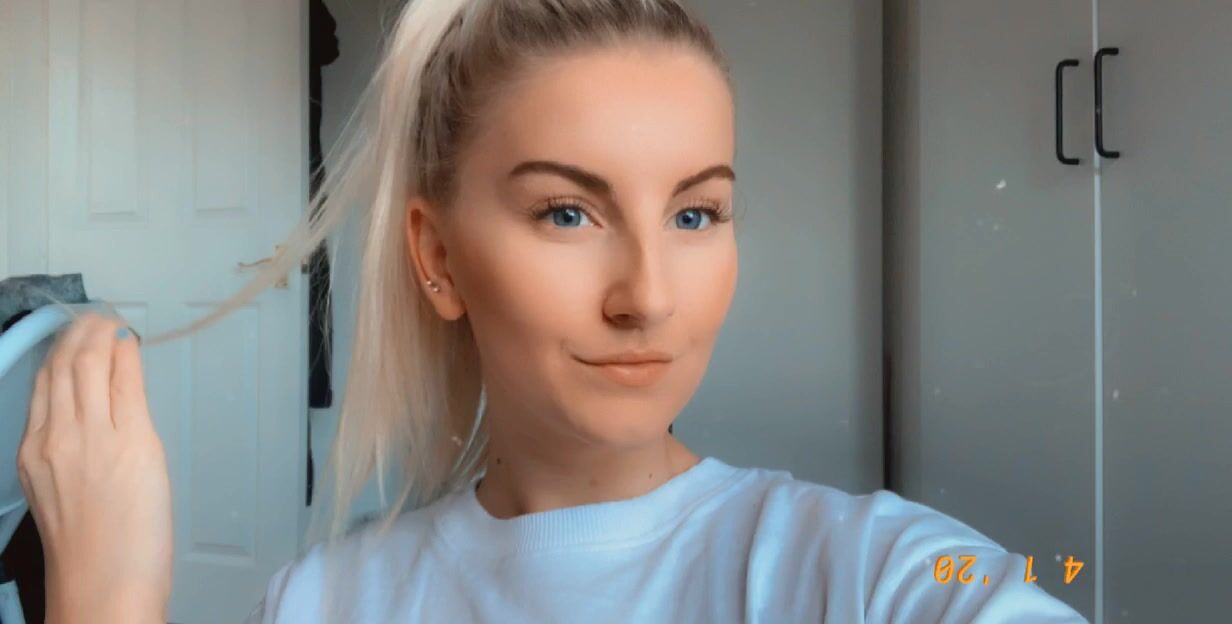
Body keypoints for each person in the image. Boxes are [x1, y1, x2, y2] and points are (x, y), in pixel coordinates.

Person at [16, 0, 1090, 622]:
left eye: (696, 213)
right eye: (568, 213)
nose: (648, 297)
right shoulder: (325, 604)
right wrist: (104, 600)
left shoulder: (872, 573)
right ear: (437, 257)